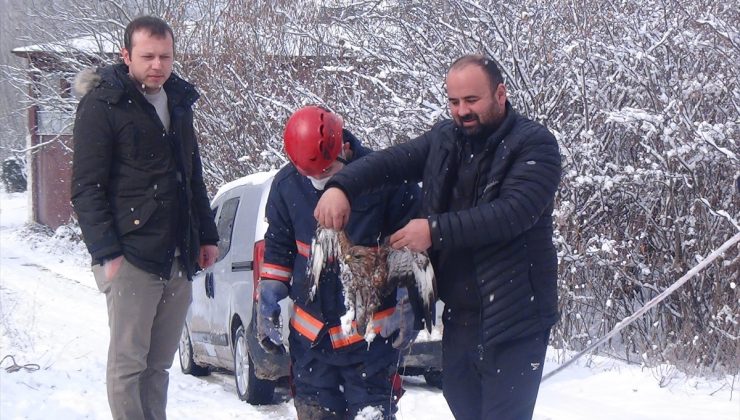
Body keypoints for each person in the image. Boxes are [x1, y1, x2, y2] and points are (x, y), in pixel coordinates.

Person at [315, 55, 562, 420]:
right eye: (454, 101)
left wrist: (432, 231)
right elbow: (391, 162)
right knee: (463, 407)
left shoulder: (534, 145)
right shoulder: (445, 141)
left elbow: (512, 214)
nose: (462, 111)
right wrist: (341, 186)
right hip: (462, 316)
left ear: (500, 94)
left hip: (516, 316)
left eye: (472, 101)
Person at [71, 16, 219, 420]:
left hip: (177, 255)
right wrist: (108, 255)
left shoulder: (179, 102)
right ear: (126, 55)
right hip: (131, 256)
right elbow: (86, 188)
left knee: (159, 367)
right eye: (148, 56)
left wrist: (207, 235)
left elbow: (192, 176)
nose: (158, 64)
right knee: (127, 366)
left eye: (165, 56)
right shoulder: (103, 105)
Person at [257, 105, 421, 419]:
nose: (318, 181)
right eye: (310, 174)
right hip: (311, 345)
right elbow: (279, 244)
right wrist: (270, 288)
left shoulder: (385, 179)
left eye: (325, 171)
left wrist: (408, 296)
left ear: (343, 146)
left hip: (371, 343)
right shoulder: (287, 184)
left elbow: (412, 243)